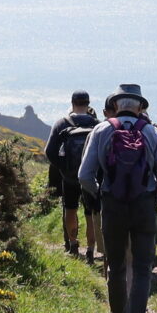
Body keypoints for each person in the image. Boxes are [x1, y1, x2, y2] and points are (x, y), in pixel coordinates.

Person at [75, 82, 157, 313]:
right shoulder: (152, 132)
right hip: (144, 206)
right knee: (142, 270)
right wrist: (152, 199)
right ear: (140, 106)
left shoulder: (102, 130)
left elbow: (85, 175)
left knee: (115, 267)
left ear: (116, 105)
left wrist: (103, 193)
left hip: (113, 205)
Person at [42, 91, 102, 262]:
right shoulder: (97, 124)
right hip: (91, 177)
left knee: (70, 209)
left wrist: (63, 168)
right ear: (88, 104)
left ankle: (74, 244)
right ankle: (91, 250)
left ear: (72, 103)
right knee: (91, 213)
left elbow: (49, 151)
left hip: (69, 177)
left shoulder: (62, 123)